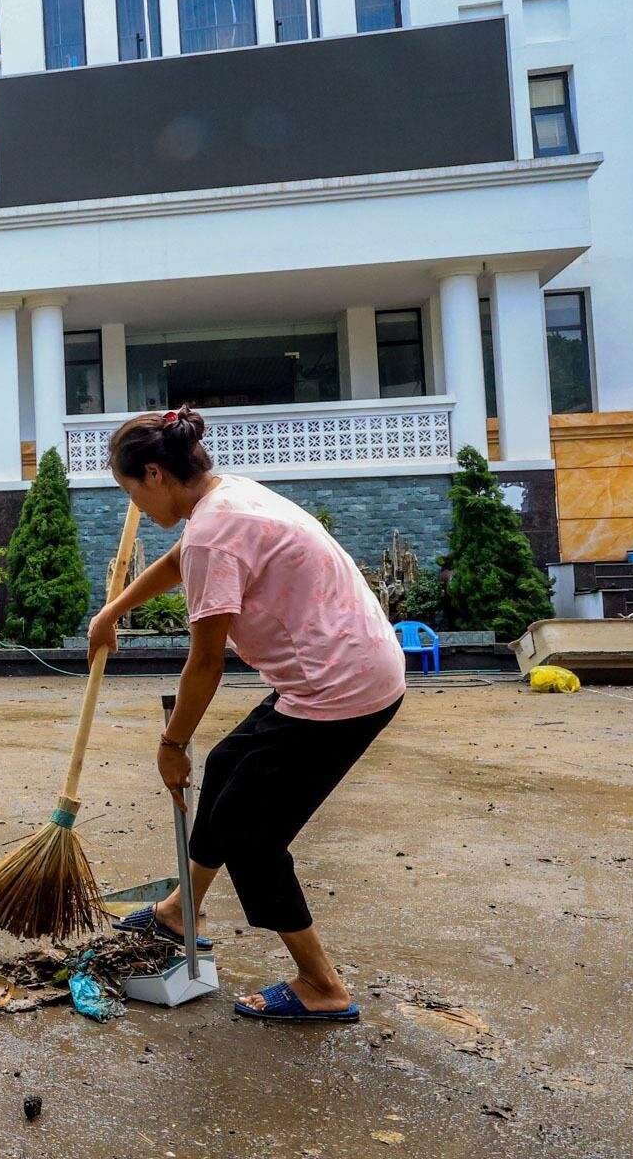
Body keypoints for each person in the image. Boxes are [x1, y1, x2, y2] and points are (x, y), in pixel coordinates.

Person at [89, 407, 405, 1023]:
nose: (139, 508)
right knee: (231, 763)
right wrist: (114, 611)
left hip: (337, 688)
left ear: (155, 473)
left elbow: (205, 664)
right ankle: (182, 910)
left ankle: (321, 985)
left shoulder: (215, 531)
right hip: (343, 667)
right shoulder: (224, 499)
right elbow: (183, 558)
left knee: (255, 841)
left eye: (132, 492)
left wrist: (172, 742)